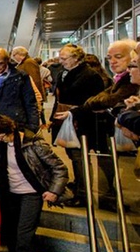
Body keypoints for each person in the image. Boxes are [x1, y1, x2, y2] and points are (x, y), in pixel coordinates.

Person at [0, 115, 68, 252]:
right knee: (11, 235)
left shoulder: (33, 144)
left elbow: (60, 168)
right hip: (10, 195)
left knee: (24, 238)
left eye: (0, 136)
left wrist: (54, 191)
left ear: (10, 131)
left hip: (31, 194)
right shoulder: (1, 145)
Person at [54, 40, 139, 203]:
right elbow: (104, 98)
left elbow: (108, 100)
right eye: (109, 58)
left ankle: (101, 195)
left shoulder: (93, 76)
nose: (112, 62)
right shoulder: (120, 79)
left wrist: (86, 107)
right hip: (79, 120)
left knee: (98, 159)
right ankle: (94, 193)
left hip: (92, 125)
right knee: (80, 157)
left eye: (118, 57)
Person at [49, 44, 106, 201]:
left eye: (64, 58)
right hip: (66, 120)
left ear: (76, 58)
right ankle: (80, 184)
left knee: (80, 157)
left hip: (82, 123)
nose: (61, 61)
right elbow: (60, 98)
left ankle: (83, 193)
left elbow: (95, 103)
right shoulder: (65, 73)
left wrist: (73, 112)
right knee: (73, 155)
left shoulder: (90, 76)